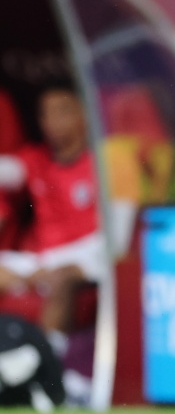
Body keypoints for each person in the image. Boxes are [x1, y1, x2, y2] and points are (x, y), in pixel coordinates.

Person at [0, 81, 104, 364]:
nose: (53, 122)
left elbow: (113, 236)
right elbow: (6, 170)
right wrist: (32, 274)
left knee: (62, 278)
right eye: (46, 114)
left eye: (63, 111)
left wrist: (61, 267)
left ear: (84, 113)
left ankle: (46, 365)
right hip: (43, 258)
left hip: (90, 254)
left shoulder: (103, 163)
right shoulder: (35, 160)